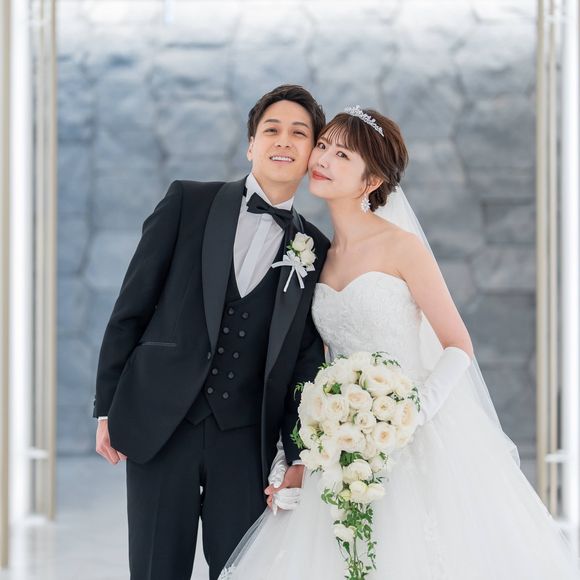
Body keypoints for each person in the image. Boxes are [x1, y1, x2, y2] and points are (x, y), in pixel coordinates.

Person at [219, 107, 580, 579]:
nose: (322, 159)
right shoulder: (317, 255)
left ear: (371, 181)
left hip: (411, 432)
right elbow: (314, 363)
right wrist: (299, 451)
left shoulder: (402, 247)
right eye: (323, 146)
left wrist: (411, 413)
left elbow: (458, 344)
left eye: (342, 154)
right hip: (345, 440)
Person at [93, 84, 330, 580]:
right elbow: (131, 306)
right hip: (163, 425)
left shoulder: (315, 248)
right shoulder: (189, 201)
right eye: (271, 129)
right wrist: (107, 406)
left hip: (246, 442)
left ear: (312, 153)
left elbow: (305, 363)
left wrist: (296, 455)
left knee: (241, 571)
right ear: (251, 144)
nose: (283, 140)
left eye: (298, 133)